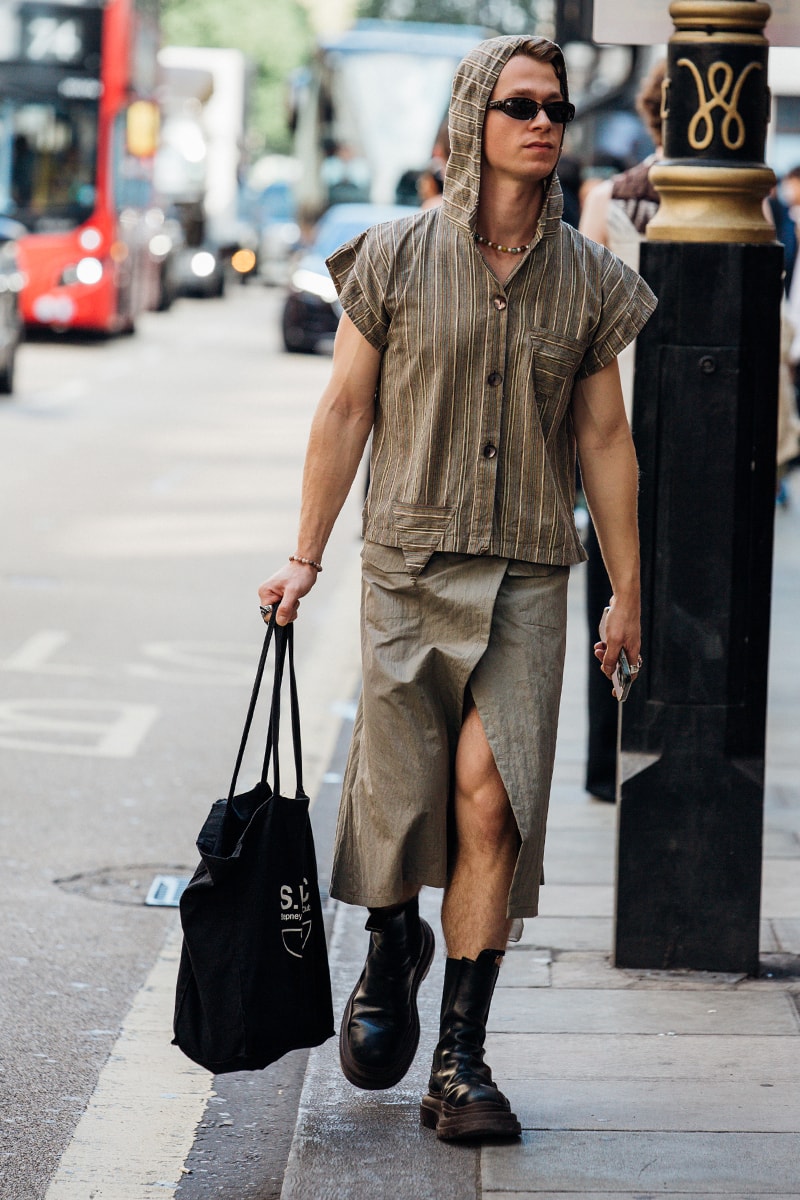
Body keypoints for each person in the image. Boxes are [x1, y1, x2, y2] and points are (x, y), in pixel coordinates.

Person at [259, 34, 656, 1142]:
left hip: (529, 576)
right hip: (405, 564)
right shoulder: (387, 258)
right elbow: (343, 413)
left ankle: (460, 1064)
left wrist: (625, 590)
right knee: (398, 806)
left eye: (557, 108)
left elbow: (605, 440)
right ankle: (390, 948)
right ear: (474, 121)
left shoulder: (588, 280)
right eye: (520, 104)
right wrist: (304, 555)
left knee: (491, 803)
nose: (544, 122)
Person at [578, 59, 665, 802]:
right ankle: (660, 746)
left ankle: (606, 764)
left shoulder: (609, 199)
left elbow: (579, 323)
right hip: (689, 435)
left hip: (615, 419)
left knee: (607, 588)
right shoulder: (750, 203)